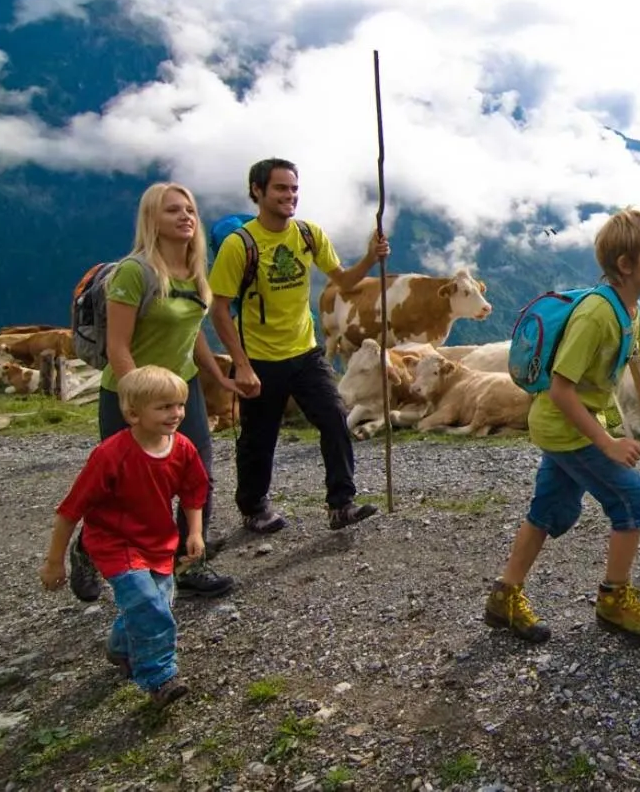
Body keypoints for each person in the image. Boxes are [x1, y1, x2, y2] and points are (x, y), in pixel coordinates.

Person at [485, 208, 640, 645]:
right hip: (567, 427)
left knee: (548, 509)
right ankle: (614, 600)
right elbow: (562, 389)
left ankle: (504, 597)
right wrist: (606, 443)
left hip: (568, 426)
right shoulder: (596, 316)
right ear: (626, 265)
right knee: (635, 500)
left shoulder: (631, 312)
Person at [69, 182, 237, 602]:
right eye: (172, 211)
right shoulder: (134, 272)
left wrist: (219, 374)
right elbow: (118, 347)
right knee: (124, 489)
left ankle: (188, 563)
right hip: (129, 395)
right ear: (152, 221)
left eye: (190, 210)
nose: (185, 217)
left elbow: (192, 332)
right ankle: (87, 550)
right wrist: (138, 400)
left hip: (182, 390)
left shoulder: (199, 273)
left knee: (198, 476)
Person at [208, 157, 387, 533]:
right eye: (280, 188)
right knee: (259, 438)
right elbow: (220, 308)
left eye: (293, 188)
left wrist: (371, 256)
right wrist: (241, 364)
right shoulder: (240, 246)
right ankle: (253, 508)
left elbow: (345, 281)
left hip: (305, 353)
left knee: (335, 418)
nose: (290, 196)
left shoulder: (308, 234)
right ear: (257, 191)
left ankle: (342, 504)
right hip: (258, 357)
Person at [41, 366, 206, 709]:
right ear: (133, 413)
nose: (175, 414)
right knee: (148, 603)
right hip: (117, 544)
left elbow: (193, 492)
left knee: (154, 604)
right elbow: (71, 510)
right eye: (163, 407)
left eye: (179, 405)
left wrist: (194, 532)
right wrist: (54, 561)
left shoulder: (184, 449)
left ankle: (120, 647)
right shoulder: (110, 455)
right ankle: (160, 677)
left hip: (159, 542)